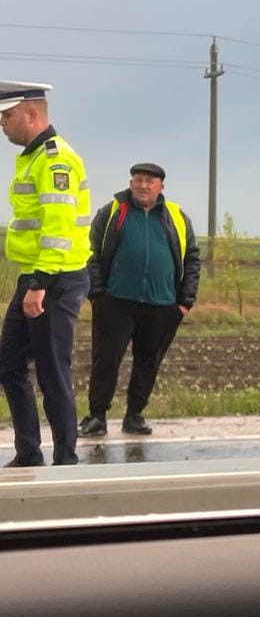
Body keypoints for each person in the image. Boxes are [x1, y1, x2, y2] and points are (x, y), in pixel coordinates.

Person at [0, 81, 92, 467]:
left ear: (32, 114)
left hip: (55, 278)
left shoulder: (56, 160)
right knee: (8, 364)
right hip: (35, 275)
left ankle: (66, 462)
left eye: (7, 116)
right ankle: (29, 454)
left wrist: (39, 283)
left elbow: (57, 227)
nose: (2, 124)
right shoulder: (32, 158)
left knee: (53, 372)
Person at [77, 163, 200, 437]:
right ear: (131, 183)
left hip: (162, 304)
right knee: (106, 361)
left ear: (160, 187)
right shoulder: (112, 212)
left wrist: (184, 302)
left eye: (149, 181)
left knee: (148, 362)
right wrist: (96, 294)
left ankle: (134, 416)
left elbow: (192, 258)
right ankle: (97, 416)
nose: (143, 185)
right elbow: (89, 251)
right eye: (138, 180)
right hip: (115, 302)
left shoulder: (176, 217)